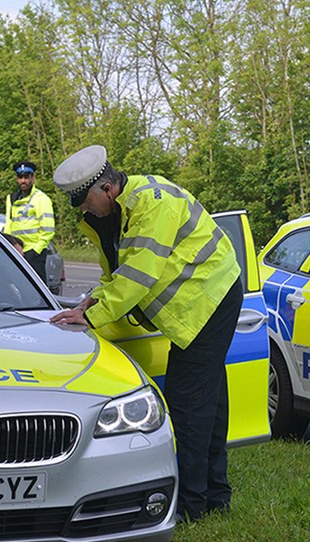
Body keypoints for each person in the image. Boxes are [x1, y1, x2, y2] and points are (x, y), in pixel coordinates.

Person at [48, 145, 242, 523]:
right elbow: (111, 276)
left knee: (188, 406)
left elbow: (139, 273)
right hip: (199, 300)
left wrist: (94, 317)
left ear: (107, 189)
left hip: (210, 296)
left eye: (86, 201)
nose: (83, 211)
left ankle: (189, 505)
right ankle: (216, 496)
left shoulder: (154, 202)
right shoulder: (108, 216)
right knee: (209, 405)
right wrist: (89, 304)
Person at [4, 161, 55, 283]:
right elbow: (8, 225)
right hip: (16, 253)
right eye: (20, 177)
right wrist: (9, 247)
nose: (23, 181)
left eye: (26, 177)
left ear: (33, 178)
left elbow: (48, 231)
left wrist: (35, 251)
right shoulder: (11, 199)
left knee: (37, 293)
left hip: (34, 255)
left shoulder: (41, 199)